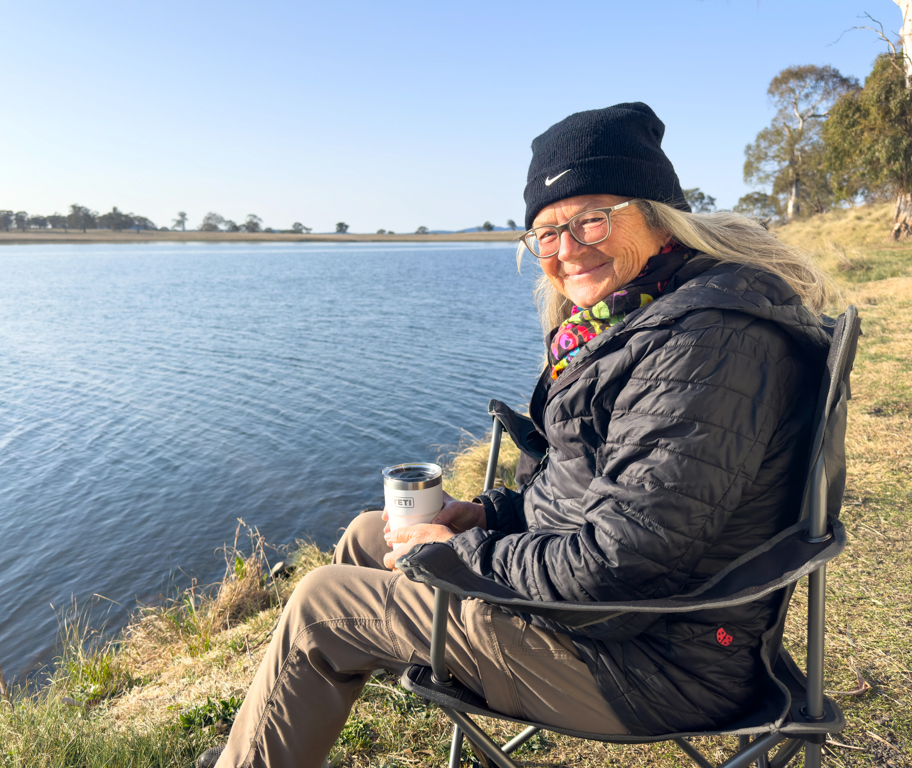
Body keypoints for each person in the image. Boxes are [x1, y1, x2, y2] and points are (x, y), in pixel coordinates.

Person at [205, 102, 833, 768]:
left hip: (652, 662)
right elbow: (591, 490)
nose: (566, 249)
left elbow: (623, 562)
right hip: (617, 620)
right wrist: (484, 513)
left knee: (320, 606)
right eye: (547, 232)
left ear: (656, 213)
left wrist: (465, 553)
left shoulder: (706, 342)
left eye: (593, 217)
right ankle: (278, 732)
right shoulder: (650, 315)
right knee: (372, 534)